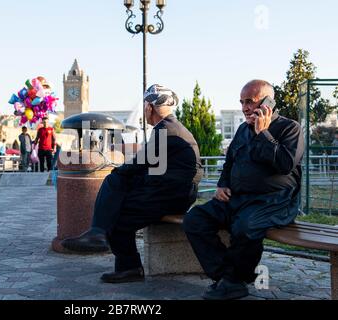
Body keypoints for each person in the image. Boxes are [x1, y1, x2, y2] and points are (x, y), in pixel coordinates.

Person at [61, 84, 203, 283]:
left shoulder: (166, 131)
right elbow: (153, 167)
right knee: (117, 187)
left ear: (148, 107)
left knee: (117, 208)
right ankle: (101, 236)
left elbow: (140, 163)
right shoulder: (171, 127)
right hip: (173, 192)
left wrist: (118, 174)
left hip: (171, 196)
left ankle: (123, 260)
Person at [183, 80, 305, 300]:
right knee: (194, 219)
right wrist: (222, 184)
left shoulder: (290, 128)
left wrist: (263, 133)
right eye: (242, 102)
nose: (245, 107)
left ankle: (232, 281)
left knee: (246, 227)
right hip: (237, 198)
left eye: (250, 101)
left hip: (275, 201)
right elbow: (229, 162)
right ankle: (228, 277)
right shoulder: (242, 130)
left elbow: (286, 164)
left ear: (268, 102)